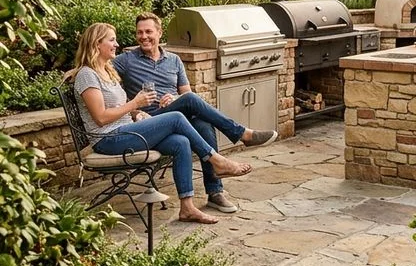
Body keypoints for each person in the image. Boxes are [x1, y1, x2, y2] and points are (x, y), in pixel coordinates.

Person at [67, 23, 255, 224]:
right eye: (112, 40)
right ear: (97, 44)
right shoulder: (87, 75)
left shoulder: (108, 71)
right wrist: (135, 103)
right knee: (176, 118)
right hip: (108, 140)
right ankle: (217, 160)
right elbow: (101, 117)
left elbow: (120, 108)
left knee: (180, 142)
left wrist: (137, 112)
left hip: (126, 131)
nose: (117, 44)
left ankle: (187, 208)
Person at [112, 12, 277, 215]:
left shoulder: (174, 60)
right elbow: (95, 65)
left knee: (202, 123)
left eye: (148, 31)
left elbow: (186, 93)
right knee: (190, 102)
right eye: (139, 32)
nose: (143, 36)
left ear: (159, 33)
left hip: (174, 113)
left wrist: (174, 99)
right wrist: (74, 72)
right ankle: (242, 134)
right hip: (150, 122)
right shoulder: (127, 60)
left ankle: (215, 193)